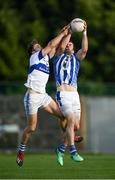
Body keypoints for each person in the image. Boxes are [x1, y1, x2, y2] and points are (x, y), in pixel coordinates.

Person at [16, 26, 71, 167]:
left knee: (63, 116)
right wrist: (63, 33)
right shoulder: (35, 57)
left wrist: (66, 33)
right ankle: (21, 151)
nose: (39, 47)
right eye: (36, 47)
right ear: (33, 52)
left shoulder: (45, 57)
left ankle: (68, 137)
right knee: (32, 128)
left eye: (39, 45)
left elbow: (56, 45)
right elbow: (51, 45)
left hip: (43, 96)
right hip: (32, 97)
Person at [53, 21, 88, 166]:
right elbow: (60, 46)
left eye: (71, 44)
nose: (68, 45)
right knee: (71, 119)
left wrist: (85, 32)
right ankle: (72, 151)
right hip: (63, 94)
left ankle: (61, 149)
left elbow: (85, 50)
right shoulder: (58, 57)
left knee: (75, 127)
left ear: (74, 48)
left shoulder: (76, 59)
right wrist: (70, 32)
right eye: (67, 44)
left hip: (75, 95)